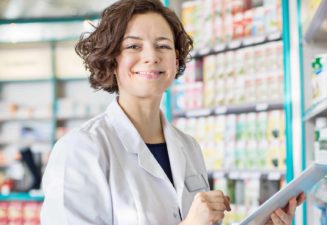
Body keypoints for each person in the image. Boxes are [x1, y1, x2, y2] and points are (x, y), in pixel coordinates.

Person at [40, 0, 305, 224]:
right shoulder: (80, 149)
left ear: (176, 61)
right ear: (112, 59)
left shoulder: (188, 147)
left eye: (163, 46)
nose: (151, 56)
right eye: (133, 46)